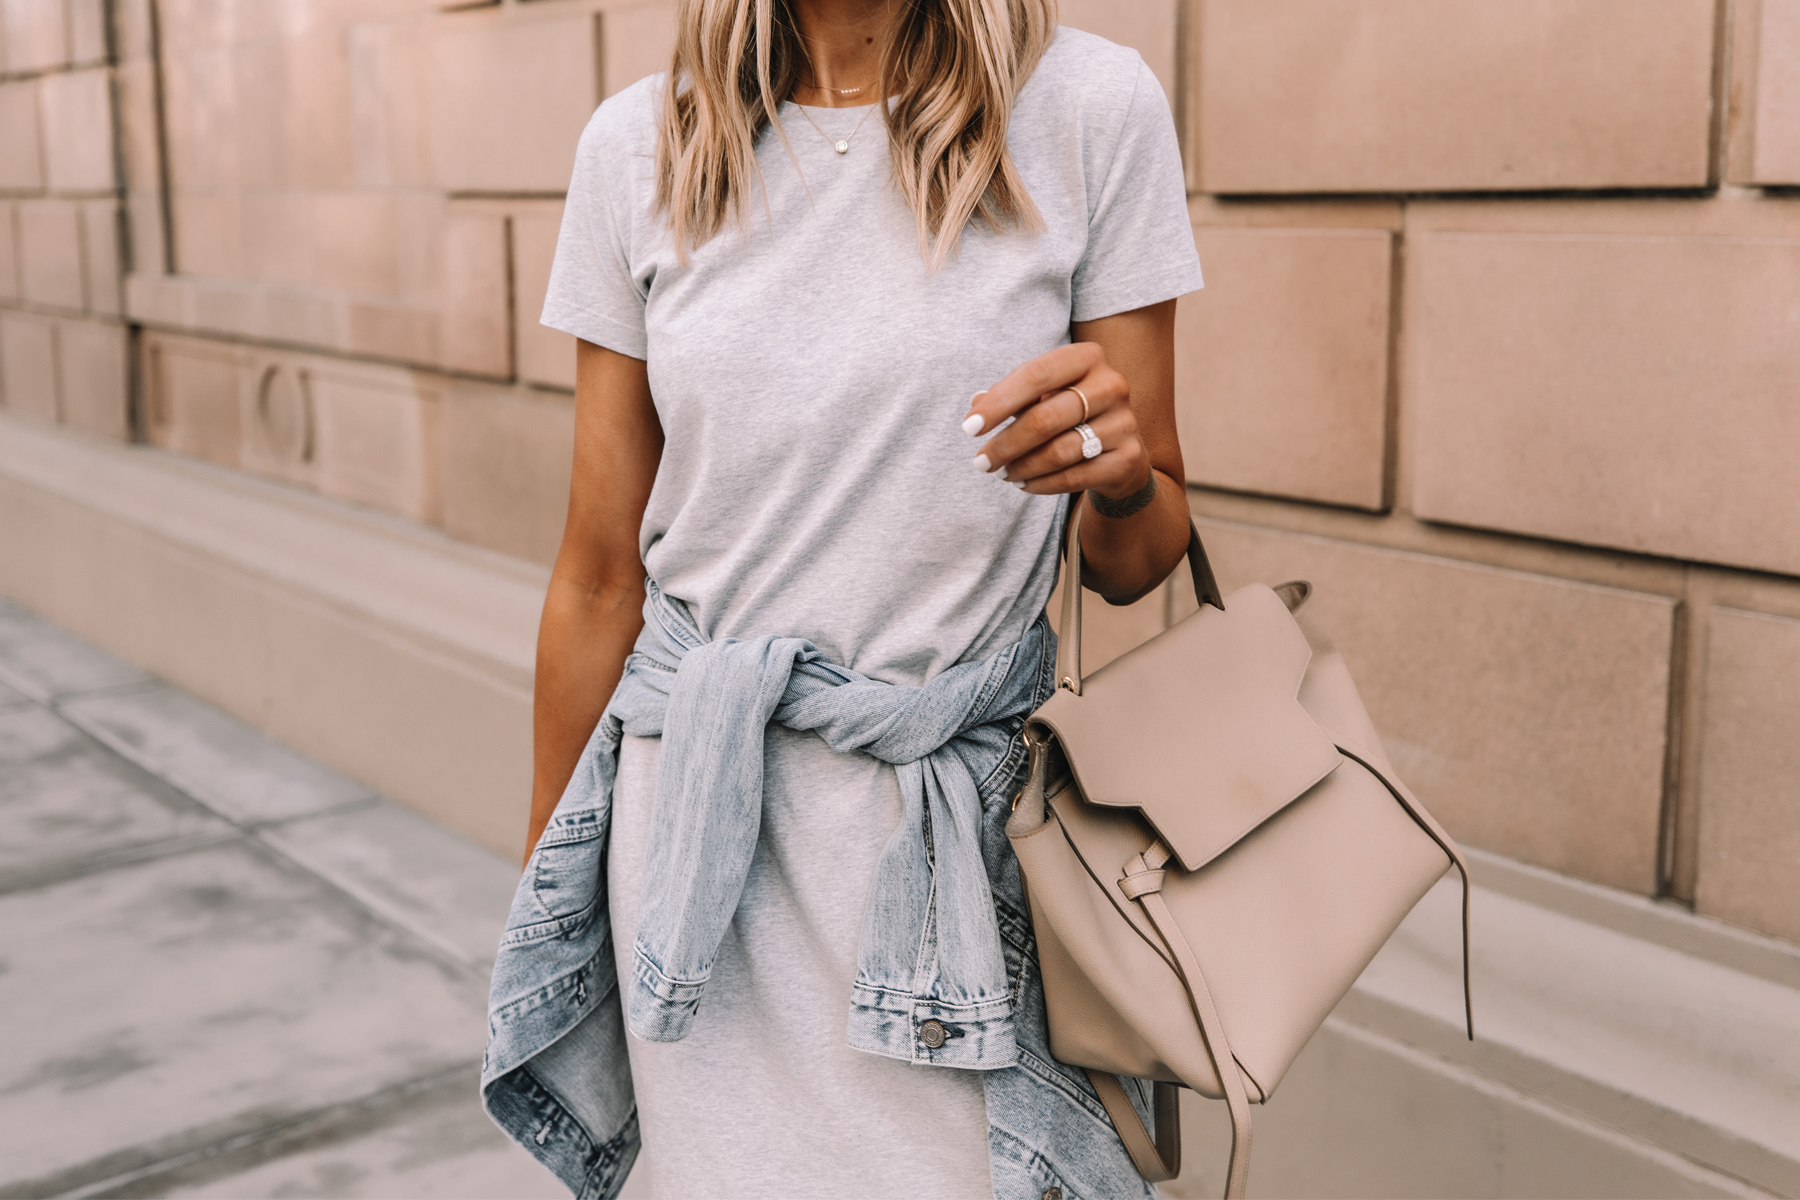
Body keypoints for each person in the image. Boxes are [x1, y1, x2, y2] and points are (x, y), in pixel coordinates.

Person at [482, 0, 1202, 1196]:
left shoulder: (1087, 108)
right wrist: (552, 895)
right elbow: (600, 573)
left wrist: (1119, 474)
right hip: (692, 845)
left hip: (954, 848)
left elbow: (1141, 550)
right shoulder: (638, 145)